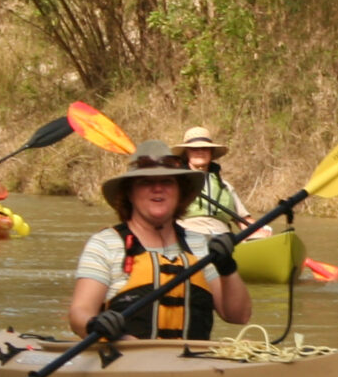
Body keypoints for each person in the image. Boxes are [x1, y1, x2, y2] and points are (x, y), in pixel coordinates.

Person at [70, 141, 253, 342]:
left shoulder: (199, 244)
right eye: (146, 182)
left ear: (179, 192)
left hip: (192, 367)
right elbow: (79, 313)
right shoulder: (105, 244)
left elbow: (239, 316)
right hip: (126, 363)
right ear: (129, 193)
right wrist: (94, 325)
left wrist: (228, 268)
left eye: (167, 182)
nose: (158, 189)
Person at [176, 126, 251, 239]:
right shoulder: (175, 183)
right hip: (186, 235)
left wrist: (260, 231)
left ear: (211, 152)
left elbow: (244, 220)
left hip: (223, 239)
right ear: (187, 153)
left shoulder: (225, 186)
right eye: (194, 149)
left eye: (205, 148)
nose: (200, 151)